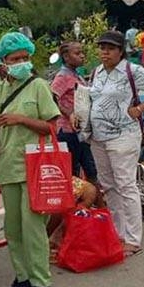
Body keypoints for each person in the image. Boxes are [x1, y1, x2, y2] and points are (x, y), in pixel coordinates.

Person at [0, 32, 61, 287]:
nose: (21, 62)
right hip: (7, 165)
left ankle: (42, 284)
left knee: (33, 228)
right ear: (3, 62)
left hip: (35, 167)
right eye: (15, 59)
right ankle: (23, 278)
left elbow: (51, 126)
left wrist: (21, 119)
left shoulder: (38, 86)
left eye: (25, 57)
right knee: (13, 229)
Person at [87, 30, 144, 256]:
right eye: (102, 47)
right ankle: (118, 233)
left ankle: (133, 239)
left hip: (123, 135)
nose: (105, 52)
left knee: (125, 185)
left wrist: (141, 109)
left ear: (120, 51)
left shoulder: (132, 71)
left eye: (110, 48)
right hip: (98, 136)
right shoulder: (97, 72)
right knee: (109, 185)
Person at [50, 41, 97, 183]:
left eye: (82, 53)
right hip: (67, 132)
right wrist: (68, 113)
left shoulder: (76, 75)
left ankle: (93, 201)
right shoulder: (62, 77)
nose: (82, 56)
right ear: (66, 57)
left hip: (80, 132)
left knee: (90, 170)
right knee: (73, 171)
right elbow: (52, 98)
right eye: (77, 53)